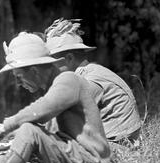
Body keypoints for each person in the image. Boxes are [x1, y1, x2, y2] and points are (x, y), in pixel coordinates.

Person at [0, 32, 111, 163]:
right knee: (0, 161)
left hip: (92, 161)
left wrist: (7, 126)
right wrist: (13, 135)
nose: (18, 83)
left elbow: (41, 110)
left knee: (28, 130)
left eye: (19, 77)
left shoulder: (68, 80)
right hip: (72, 158)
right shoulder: (53, 87)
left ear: (34, 71)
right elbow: (46, 130)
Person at [44, 18, 142, 146]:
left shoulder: (89, 80)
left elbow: (59, 121)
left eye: (53, 63)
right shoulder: (93, 72)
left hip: (117, 147)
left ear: (69, 58)